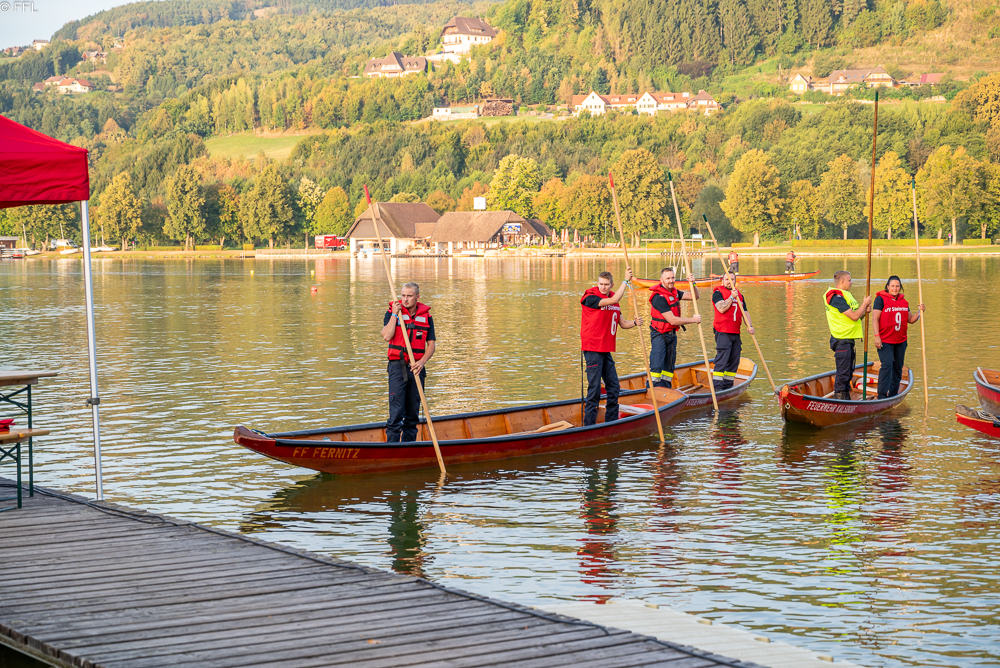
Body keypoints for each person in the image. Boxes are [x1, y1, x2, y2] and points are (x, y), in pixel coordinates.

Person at [581, 268, 642, 426]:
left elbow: (623, 323)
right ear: (597, 284)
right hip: (593, 349)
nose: (603, 287)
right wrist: (626, 281)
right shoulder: (590, 297)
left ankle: (611, 423)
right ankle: (589, 426)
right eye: (601, 284)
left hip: (605, 350)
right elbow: (613, 299)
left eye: (606, 284)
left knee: (614, 388)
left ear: (611, 285)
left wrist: (635, 323)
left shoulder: (615, 300)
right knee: (594, 390)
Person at [381, 282, 435, 442]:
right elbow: (387, 336)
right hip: (397, 367)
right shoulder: (392, 312)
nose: (405, 299)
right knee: (396, 414)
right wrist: (394, 315)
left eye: (409, 296)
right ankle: (391, 450)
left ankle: (408, 447)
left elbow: (431, 345)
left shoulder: (427, 317)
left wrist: (422, 362)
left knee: (412, 415)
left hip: (417, 368)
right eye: (403, 295)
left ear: (417, 297)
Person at [647, 267, 701, 389]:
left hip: (671, 334)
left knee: (669, 367)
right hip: (659, 334)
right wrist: (693, 320)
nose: (671, 280)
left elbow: (695, 296)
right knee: (657, 366)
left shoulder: (675, 293)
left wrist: (693, 284)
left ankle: (666, 390)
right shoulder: (658, 297)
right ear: (661, 280)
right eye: (668, 278)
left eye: (672, 278)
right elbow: (672, 320)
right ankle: (652, 390)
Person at [872, 276, 924, 399]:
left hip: (900, 341)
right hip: (885, 340)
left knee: (897, 367)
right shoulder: (880, 299)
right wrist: (876, 336)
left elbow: (910, 319)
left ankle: (893, 394)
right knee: (887, 365)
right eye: (892, 286)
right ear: (887, 287)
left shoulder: (903, 301)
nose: (895, 288)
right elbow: (875, 319)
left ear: (900, 287)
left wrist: (920, 312)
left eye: (897, 286)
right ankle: (882, 396)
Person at [824, 270, 872, 400]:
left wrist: (864, 311)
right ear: (842, 281)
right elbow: (854, 316)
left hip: (848, 339)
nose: (851, 282)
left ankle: (846, 399)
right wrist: (864, 304)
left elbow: (856, 318)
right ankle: (840, 401)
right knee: (843, 374)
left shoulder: (846, 295)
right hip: (841, 339)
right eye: (849, 280)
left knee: (848, 373)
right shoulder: (835, 297)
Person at [711, 272, 755, 391]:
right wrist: (731, 297)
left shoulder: (740, 295)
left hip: (736, 332)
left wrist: (749, 326)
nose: (729, 281)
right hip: (723, 332)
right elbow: (721, 309)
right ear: (722, 281)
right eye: (727, 279)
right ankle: (717, 388)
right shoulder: (718, 293)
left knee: (734, 361)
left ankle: (728, 387)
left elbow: (745, 312)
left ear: (735, 281)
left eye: (732, 279)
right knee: (722, 361)